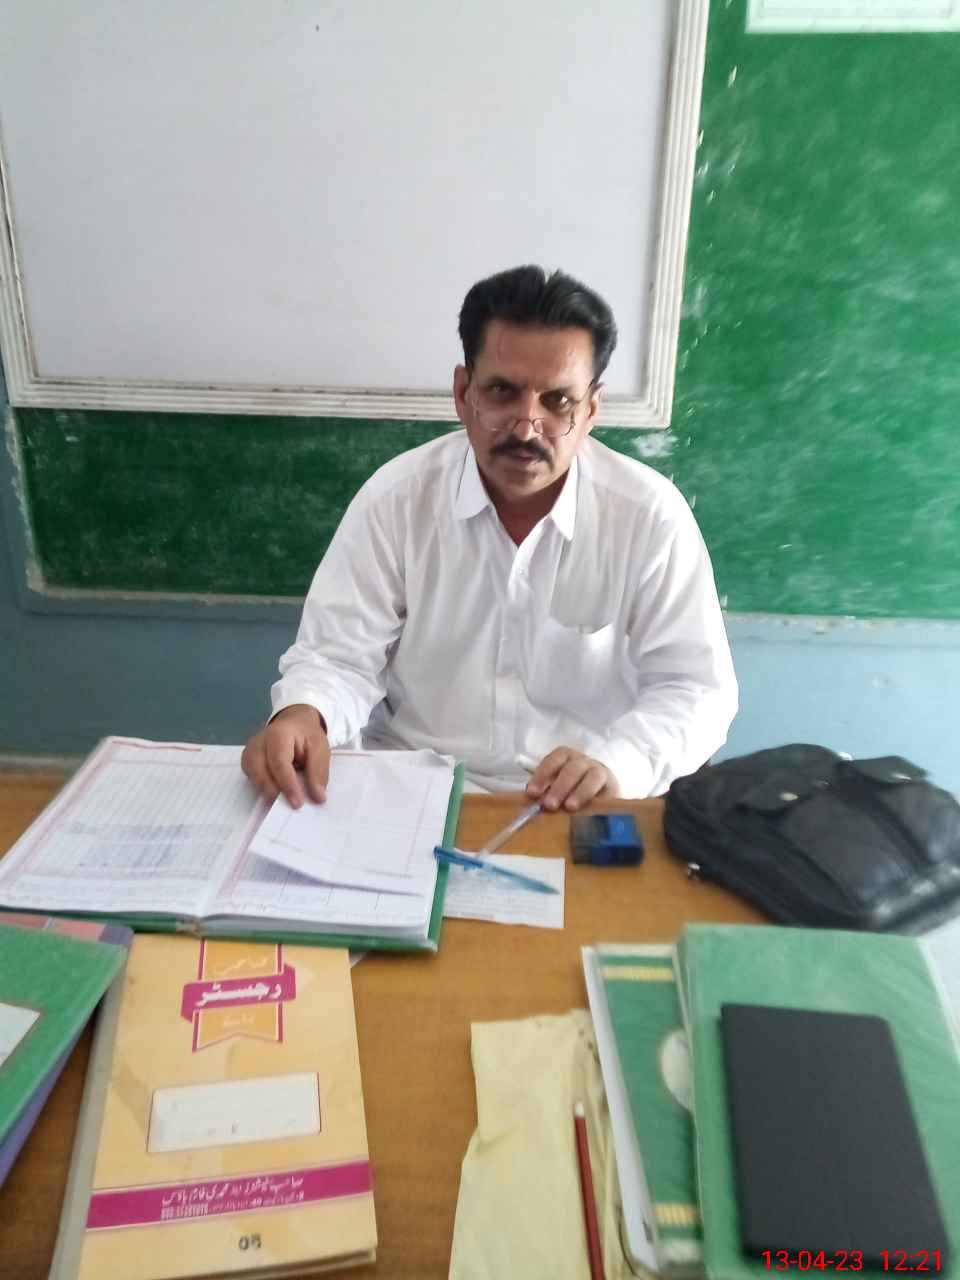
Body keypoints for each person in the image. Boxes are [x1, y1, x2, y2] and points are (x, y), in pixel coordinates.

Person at [241, 265, 737, 812]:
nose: (526, 427)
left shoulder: (649, 517)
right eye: (503, 392)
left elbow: (697, 689)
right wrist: (303, 714)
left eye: (558, 401)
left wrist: (617, 762)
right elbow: (338, 659)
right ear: (463, 393)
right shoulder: (397, 500)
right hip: (411, 795)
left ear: (591, 410)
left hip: (581, 806)